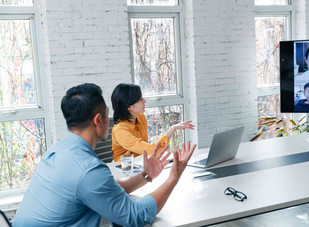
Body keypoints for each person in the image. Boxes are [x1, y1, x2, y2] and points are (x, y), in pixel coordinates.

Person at [13, 83, 197, 227]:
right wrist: (174, 176)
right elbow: (136, 217)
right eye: (107, 115)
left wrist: (146, 175)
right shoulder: (88, 170)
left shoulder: (57, 152)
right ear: (98, 120)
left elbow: (108, 190)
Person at [111, 83, 195, 162]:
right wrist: (172, 129)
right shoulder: (120, 130)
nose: (144, 101)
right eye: (140, 99)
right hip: (125, 169)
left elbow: (147, 150)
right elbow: (152, 151)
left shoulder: (140, 117)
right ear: (129, 107)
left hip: (141, 162)